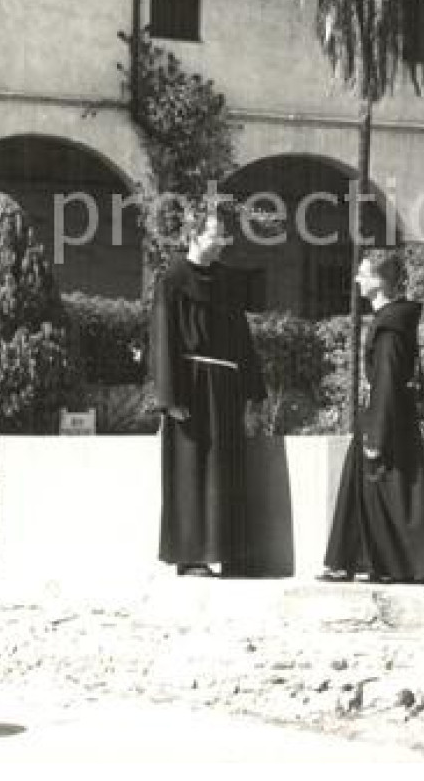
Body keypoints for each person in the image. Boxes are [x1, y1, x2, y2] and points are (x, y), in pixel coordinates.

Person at [148, 204, 266, 577]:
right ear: (194, 236)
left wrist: (253, 390)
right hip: (191, 389)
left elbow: (242, 338)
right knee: (192, 470)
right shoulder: (172, 280)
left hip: (227, 388)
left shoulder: (228, 281)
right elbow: (162, 339)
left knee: (225, 469)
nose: (223, 242)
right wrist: (170, 398)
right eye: (216, 235)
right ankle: (191, 555)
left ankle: (229, 551)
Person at [321, 248, 424, 584]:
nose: (357, 279)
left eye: (363, 273)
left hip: (386, 417)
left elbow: (387, 381)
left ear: (378, 281)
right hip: (384, 414)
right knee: (368, 490)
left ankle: (396, 565)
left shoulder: (389, 327)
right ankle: (363, 563)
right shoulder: (391, 321)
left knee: (389, 490)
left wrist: (377, 434)